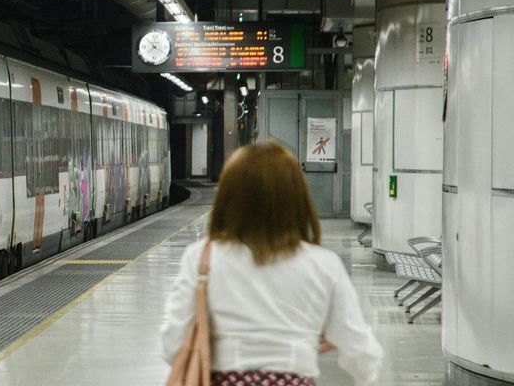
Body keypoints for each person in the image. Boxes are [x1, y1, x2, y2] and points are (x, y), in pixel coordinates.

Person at [160, 142, 382, 385]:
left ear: (228, 197)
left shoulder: (202, 257)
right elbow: (360, 350)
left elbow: (173, 342)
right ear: (296, 198)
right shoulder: (323, 264)